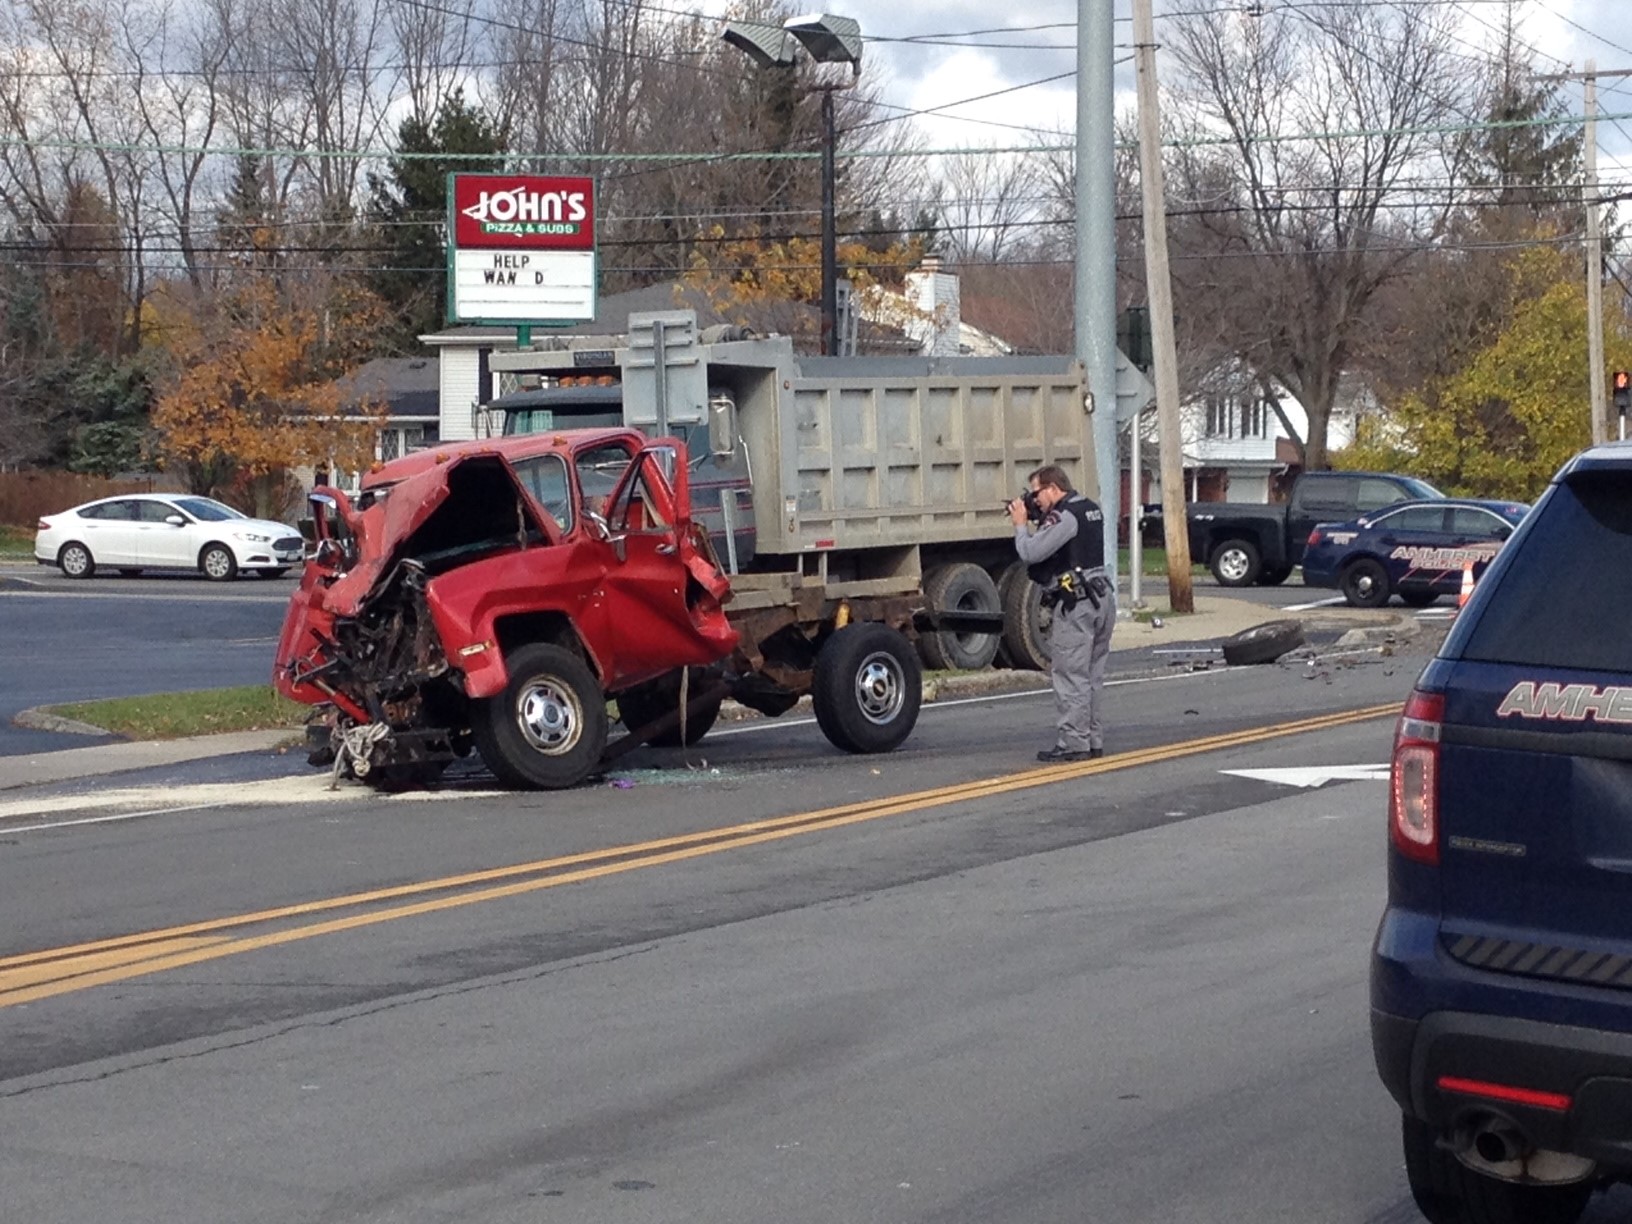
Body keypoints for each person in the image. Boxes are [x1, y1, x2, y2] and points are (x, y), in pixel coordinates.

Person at [1009, 464, 1116, 762]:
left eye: (1036, 494)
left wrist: (1020, 525)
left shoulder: (1063, 515)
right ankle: (1092, 740)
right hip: (1101, 598)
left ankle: (1073, 743)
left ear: (1053, 488)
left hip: (1077, 603)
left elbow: (1031, 552)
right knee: (1092, 675)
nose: (1034, 501)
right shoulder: (1089, 508)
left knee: (1070, 675)